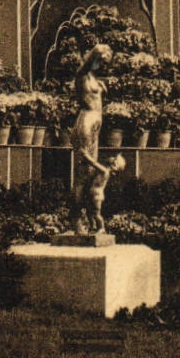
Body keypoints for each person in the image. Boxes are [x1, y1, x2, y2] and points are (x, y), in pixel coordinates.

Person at [68, 44, 119, 236]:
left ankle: (89, 219)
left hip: (95, 126)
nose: (102, 65)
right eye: (100, 61)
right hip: (86, 125)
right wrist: (96, 53)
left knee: (89, 175)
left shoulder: (93, 78)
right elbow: (84, 67)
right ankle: (75, 219)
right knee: (83, 174)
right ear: (94, 58)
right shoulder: (82, 74)